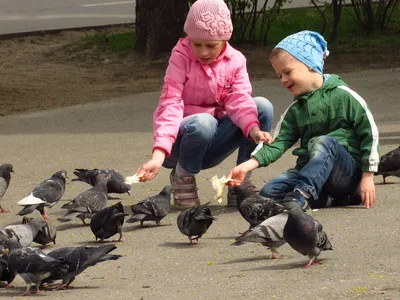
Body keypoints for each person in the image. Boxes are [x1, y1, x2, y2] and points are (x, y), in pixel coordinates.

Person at [136, 0, 274, 209]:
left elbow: (240, 100)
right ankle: (182, 177)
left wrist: (253, 130)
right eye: (196, 44)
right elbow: (170, 103)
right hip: (180, 145)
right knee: (204, 121)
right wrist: (158, 156)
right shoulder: (180, 57)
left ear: (224, 40)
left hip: (213, 141)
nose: (203, 52)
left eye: (211, 45)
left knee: (262, 106)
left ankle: (240, 181)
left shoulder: (235, 60)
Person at [227, 30, 380, 209]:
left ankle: (303, 194)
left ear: (310, 64)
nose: (283, 80)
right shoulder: (295, 109)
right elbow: (278, 142)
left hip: (345, 175)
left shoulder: (344, 96)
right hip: (309, 172)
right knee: (269, 193)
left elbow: (370, 133)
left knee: (324, 142)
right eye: (279, 76)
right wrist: (246, 166)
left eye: (287, 72)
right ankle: (332, 199)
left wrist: (368, 176)